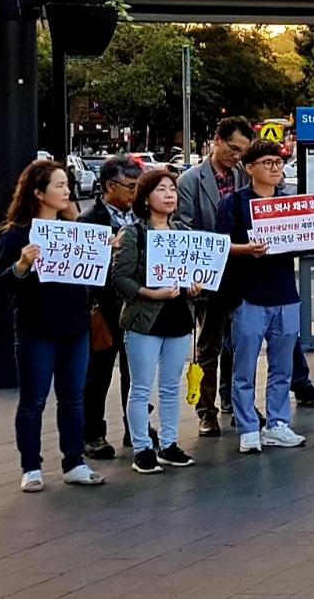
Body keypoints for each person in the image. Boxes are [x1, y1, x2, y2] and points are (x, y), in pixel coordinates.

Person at [0, 159, 104, 491]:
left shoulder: (76, 230)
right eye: (59, 185)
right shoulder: (17, 234)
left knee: (73, 397)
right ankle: (31, 467)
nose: (67, 191)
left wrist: (104, 253)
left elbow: (93, 279)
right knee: (33, 400)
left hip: (75, 325)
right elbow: (1, 282)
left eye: (67, 185)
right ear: (38, 193)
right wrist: (22, 265)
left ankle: (74, 461)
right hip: (36, 328)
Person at [211, 140, 314, 455]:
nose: (275, 169)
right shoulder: (234, 203)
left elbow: (298, 242)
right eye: (268, 163)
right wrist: (245, 249)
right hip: (248, 295)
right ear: (250, 168)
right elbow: (219, 245)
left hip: (285, 292)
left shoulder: (289, 203)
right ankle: (247, 427)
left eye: (278, 163)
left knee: (283, 365)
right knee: (244, 367)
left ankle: (277, 423)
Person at [108, 168, 198, 474]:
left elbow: (194, 273)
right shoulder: (133, 233)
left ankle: (169, 444)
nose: (169, 195)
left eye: (172, 189)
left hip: (178, 316)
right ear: (145, 198)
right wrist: (151, 293)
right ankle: (142, 448)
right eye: (161, 189)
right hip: (144, 319)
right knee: (141, 387)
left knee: (171, 386)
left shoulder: (183, 233)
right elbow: (120, 278)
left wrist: (195, 286)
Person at [177, 116, 252, 439]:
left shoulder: (243, 175)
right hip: (208, 275)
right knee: (209, 346)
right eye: (232, 148)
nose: (236, 156)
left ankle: (235, 403)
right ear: (217, 141)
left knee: (240, 343)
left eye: (242, 151)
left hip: (240, 273)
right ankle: (206, 411)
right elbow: (183, 227)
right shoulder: (191, 180)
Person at [76, 154, 141, 461]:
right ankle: (92, 434)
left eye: (138, 186)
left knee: (137, 371)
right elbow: (82, 270)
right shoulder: (89, 220)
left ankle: (136, 427)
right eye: (130, 186)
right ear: (110, 186)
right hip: (104, 307)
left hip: (138, 305)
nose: (135, 192)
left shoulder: (142, 216)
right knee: (98, 373)